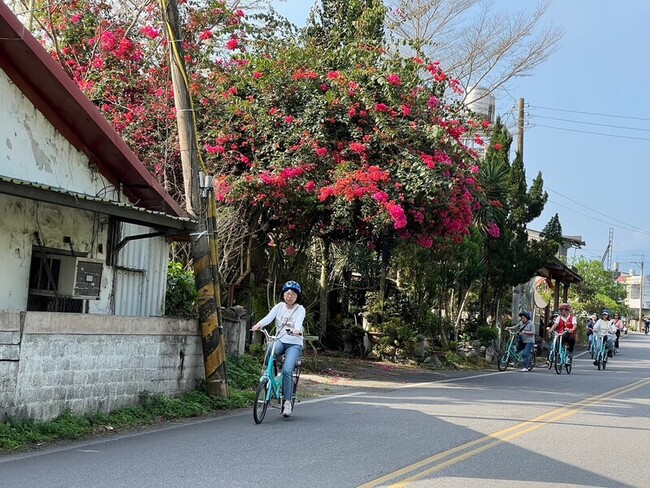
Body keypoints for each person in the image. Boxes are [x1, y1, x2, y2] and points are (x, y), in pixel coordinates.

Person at [251, 280, 306, 417]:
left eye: (293, 294)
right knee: (271, 349)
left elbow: (298, 324)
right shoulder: (279, 307)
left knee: (287, 371)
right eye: (287, 293)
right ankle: (270, 372)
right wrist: (258, 325)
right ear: (283, 295)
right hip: (280, 340)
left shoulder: (300, 309)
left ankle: (287, 402)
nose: (290, 296)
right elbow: (268, 318)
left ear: (297, 296)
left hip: (294, 343)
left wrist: (297, 330)